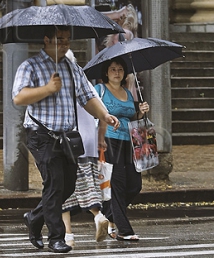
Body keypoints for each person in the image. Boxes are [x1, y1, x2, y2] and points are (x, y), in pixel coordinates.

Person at [13, 26, 120, 254]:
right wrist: (47, 88)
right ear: (46, 40)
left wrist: (104, 115)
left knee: (68, 185)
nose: (64, 44)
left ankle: (34, 217)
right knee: (54, 184)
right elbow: (19, 97)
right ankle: (56, 238)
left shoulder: (72, 68)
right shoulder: (30, 66)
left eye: (67, 40)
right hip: (41, 135)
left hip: (67, 137)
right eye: (59, 40)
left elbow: (86, 97)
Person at [95, 57, 150, 241]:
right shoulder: (100, 90)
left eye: (119, 69)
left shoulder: (127, 92)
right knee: (117, 183)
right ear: (106, 72)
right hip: (109, 140)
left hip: (130, 141)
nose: (117, 72)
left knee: (135, 184)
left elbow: (131, 117)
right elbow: (92, 112)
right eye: (112, 69)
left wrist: (140, 112)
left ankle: (105, 215)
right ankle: (124, 230)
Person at [60, 50, 110, 246]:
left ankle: (69, 235)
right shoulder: (86, 82)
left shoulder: (60, 84)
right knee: (87, 183)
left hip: (68, 142)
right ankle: (98, 216)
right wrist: (100, 137)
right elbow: (103, 111)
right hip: (87, 142)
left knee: (63, 189)